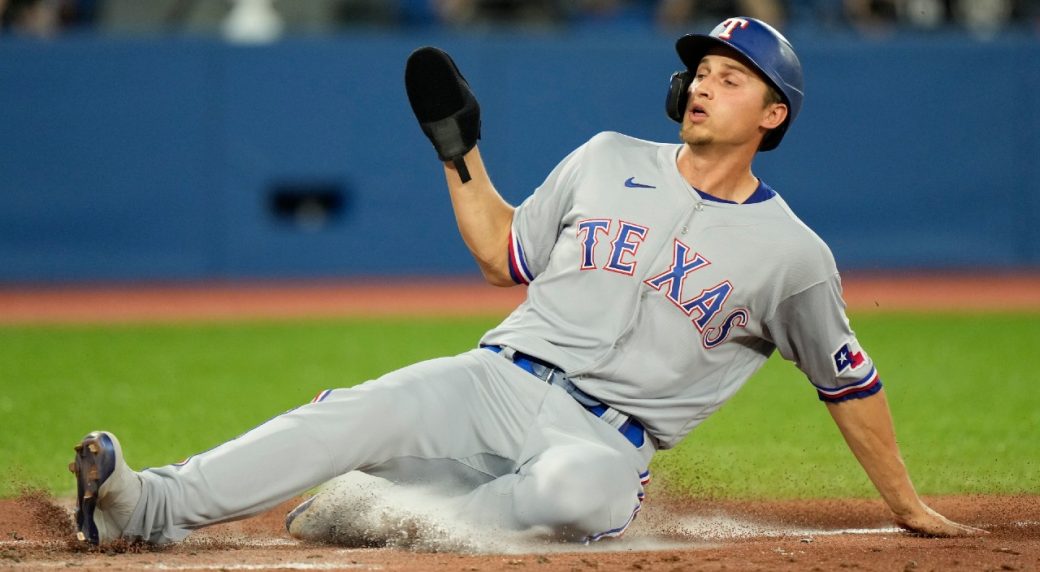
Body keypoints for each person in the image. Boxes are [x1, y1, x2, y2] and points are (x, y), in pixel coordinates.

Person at [71, 16, 984, 547]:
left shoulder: (793, 255)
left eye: (732, 78)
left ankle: (389, 511)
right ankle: (144, 506)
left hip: (606, 441)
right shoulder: (608, 157)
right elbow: (502, 254)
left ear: (773, 115)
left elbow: (848, 382)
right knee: (351, 413)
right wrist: (458, 153)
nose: (705, 84)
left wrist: (905, 506)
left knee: (572, 496)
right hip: (495, 379)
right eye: (701, 71)